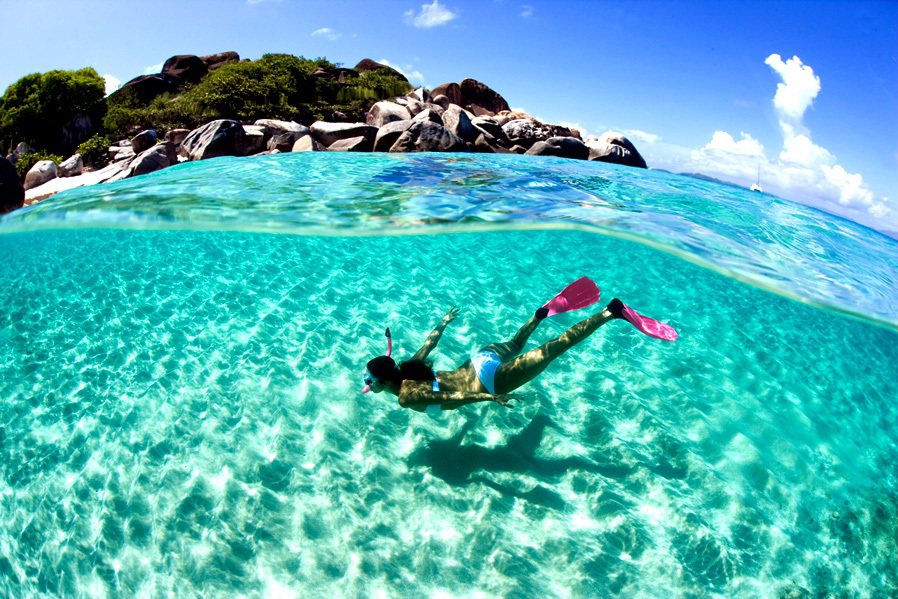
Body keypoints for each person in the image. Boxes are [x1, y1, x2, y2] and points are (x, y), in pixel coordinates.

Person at [361, 277, 677, 413]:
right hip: (478, 359)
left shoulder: (405, 396)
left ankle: (612, 312)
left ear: (382, 381)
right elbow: (429, 344)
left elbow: (447, 395)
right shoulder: (406, 367)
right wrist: (443, 322)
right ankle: (540, 314)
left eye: (368, 380)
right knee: (516, 342)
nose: (367, 384)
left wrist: (488, 397)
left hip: (488, 380)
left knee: (555, 348)